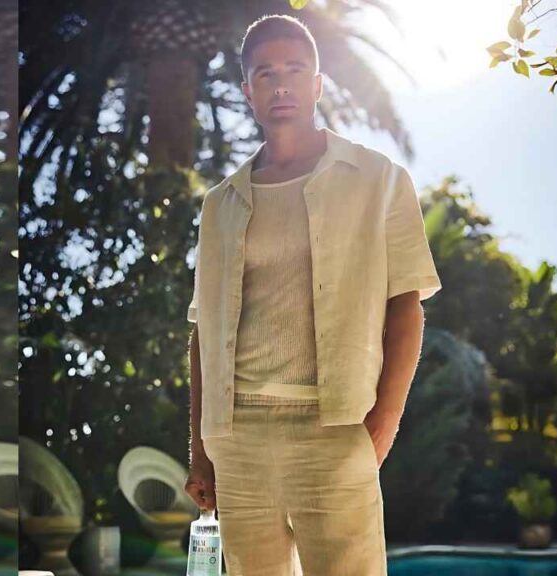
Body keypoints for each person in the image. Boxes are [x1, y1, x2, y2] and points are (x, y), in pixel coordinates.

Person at [183, 14, 441, 575]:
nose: (281, 85)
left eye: (295, 70)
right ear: (247, 90)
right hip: (238, 441)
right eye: (265, 73)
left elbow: (407, 305)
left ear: (318, 83)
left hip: (334, 431)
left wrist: (385, 419)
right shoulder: (219, 205)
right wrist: (201, 451)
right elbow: (203, 331)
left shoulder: (379, 179)